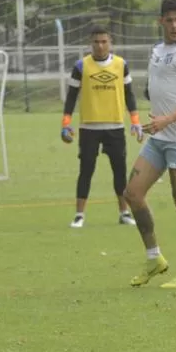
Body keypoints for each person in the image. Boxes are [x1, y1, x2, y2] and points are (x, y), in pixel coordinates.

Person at [123, 0, 176, 289]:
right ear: (161, 21)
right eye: (168, 20)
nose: (174, 25)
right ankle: (154, 258)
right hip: (159, 136)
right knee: (132, 193)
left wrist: (166, 119)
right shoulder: (157, 50)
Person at [61, 26, 143, 228]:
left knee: (119, 172)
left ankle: (124, 212)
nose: (100, 45)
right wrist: (65, 124)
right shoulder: (81, 66)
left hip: (115, 126)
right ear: (91, 43)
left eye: (104, 41)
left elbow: (129, 94)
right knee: (86, 170)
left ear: (110, 42)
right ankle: (79, 215)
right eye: (96, 42)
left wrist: (135, 121)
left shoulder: (121, 65)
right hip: (89, 127)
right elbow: (71, 97)